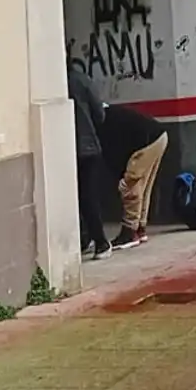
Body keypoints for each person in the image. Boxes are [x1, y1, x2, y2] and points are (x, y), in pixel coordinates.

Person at [98, 102, 169, 250]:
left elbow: (116, 154)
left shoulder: (104, 126)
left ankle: (129, 231)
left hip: (146, 141)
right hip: (158, 136)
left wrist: (123, 179)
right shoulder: (112, 113)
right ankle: (140, 227)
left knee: (131, 186)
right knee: (145, 186)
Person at [67, 63, 111, 259]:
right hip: (87, 146)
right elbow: (99, 113)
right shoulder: (82, 80)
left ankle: (90, 238)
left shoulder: (54, 83)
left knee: (76, 197)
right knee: (88, 196)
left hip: (66, 148)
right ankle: (98, 240)